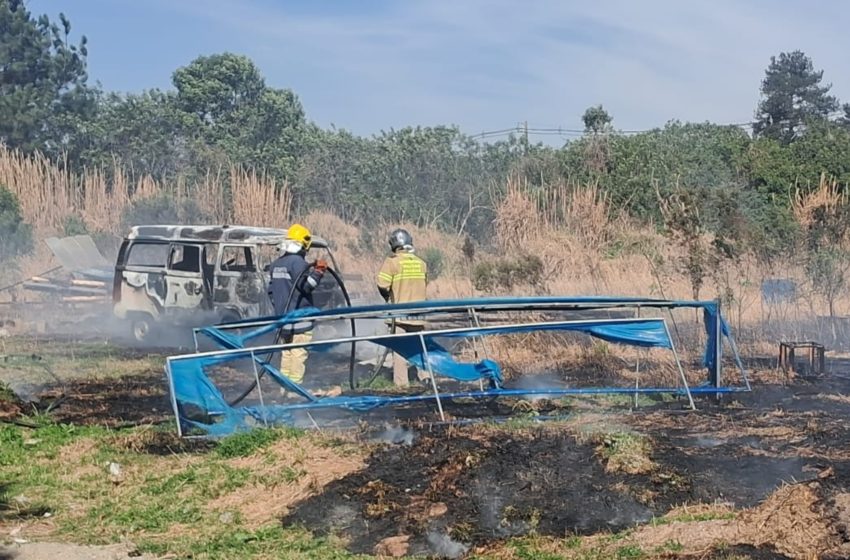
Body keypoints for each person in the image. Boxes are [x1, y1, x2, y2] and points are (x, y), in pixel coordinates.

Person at [268, 224, 327, 386]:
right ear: (303, 244)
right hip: (301, 318)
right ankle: (295, 390)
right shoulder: (298, 263)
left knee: (286, 356)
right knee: (298, 354)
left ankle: (284, 389)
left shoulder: (275, 265)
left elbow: (271, 292)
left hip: (283, 319)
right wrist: (319, 271)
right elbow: (307, 285)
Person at [376, 228, 428, 387]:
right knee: (419, 348)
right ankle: (425, 377)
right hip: (418, 315)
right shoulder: (421, 263)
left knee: (399, 351)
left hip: (398, 316)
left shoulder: (392, 262)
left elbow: (382, 284)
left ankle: (402, 384)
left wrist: (388, 296)